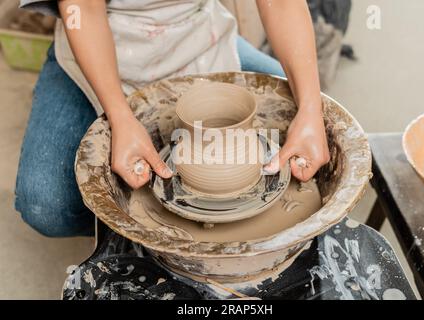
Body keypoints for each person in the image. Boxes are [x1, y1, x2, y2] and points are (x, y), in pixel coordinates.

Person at [15, 0, 330, 237]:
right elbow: (82, 8)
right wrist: (121, 117)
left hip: (196, 31)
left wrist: (311, 110)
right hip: (98, 35)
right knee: (47, 204)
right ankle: (137, 239)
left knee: (320, 124)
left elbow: (283, 4)